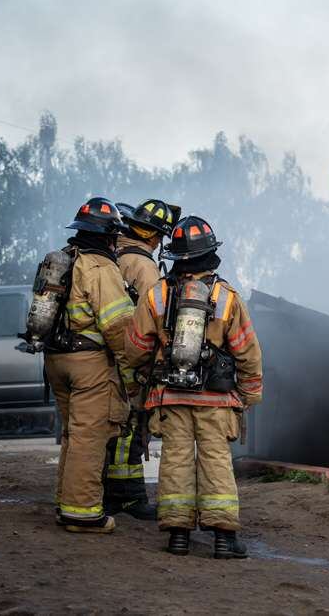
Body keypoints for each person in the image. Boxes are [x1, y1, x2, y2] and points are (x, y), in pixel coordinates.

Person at [124, 216, 263, 558]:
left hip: (170, 396)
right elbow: (247, 351)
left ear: (176, 257)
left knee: (175, 461)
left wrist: (150, 369)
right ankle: (224, 539)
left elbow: (136, 349)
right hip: (216, 399)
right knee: (216, 461)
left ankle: (178, 536)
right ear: (210, 254)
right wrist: (249, 393)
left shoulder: (157, 294)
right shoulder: (226, 297)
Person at [45, 197, 136, 533]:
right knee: (89, 436)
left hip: (56, 360)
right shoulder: (100, 267)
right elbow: (117, 327)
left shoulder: (66, 258)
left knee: (73, 433)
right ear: (109, 235)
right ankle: (81, 513)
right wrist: (131, 372)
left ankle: (66, 503)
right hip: (88, 364)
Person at [102, 199, 179, 521]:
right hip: (132, 356)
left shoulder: (112, 255)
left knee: (113, 423)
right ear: (153, 235)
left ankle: (112, 490)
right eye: (160, 236)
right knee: (131, 424)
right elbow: (156, 314)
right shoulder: (143, 265)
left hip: (105, 355)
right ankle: (127, 496)